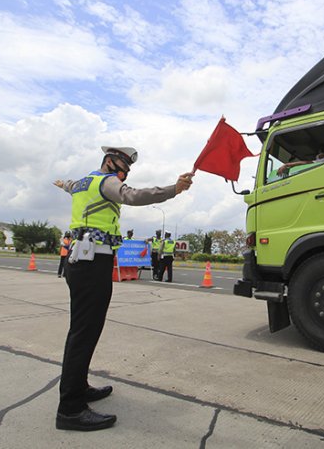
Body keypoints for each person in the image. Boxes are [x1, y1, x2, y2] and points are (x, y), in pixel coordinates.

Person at [52, 145, 193, 432]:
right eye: (122, 165)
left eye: (128, 168)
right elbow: (133, 196)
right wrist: (173, 189)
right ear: (108, 161)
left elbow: (67, 185)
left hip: (82, 260)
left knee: (84, 329)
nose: (125, 171)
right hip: (92, 263)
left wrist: (61, 183)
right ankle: (70, 409)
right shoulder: (106, 182)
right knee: (84, 332)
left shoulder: (81, 182)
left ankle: (79, 387)